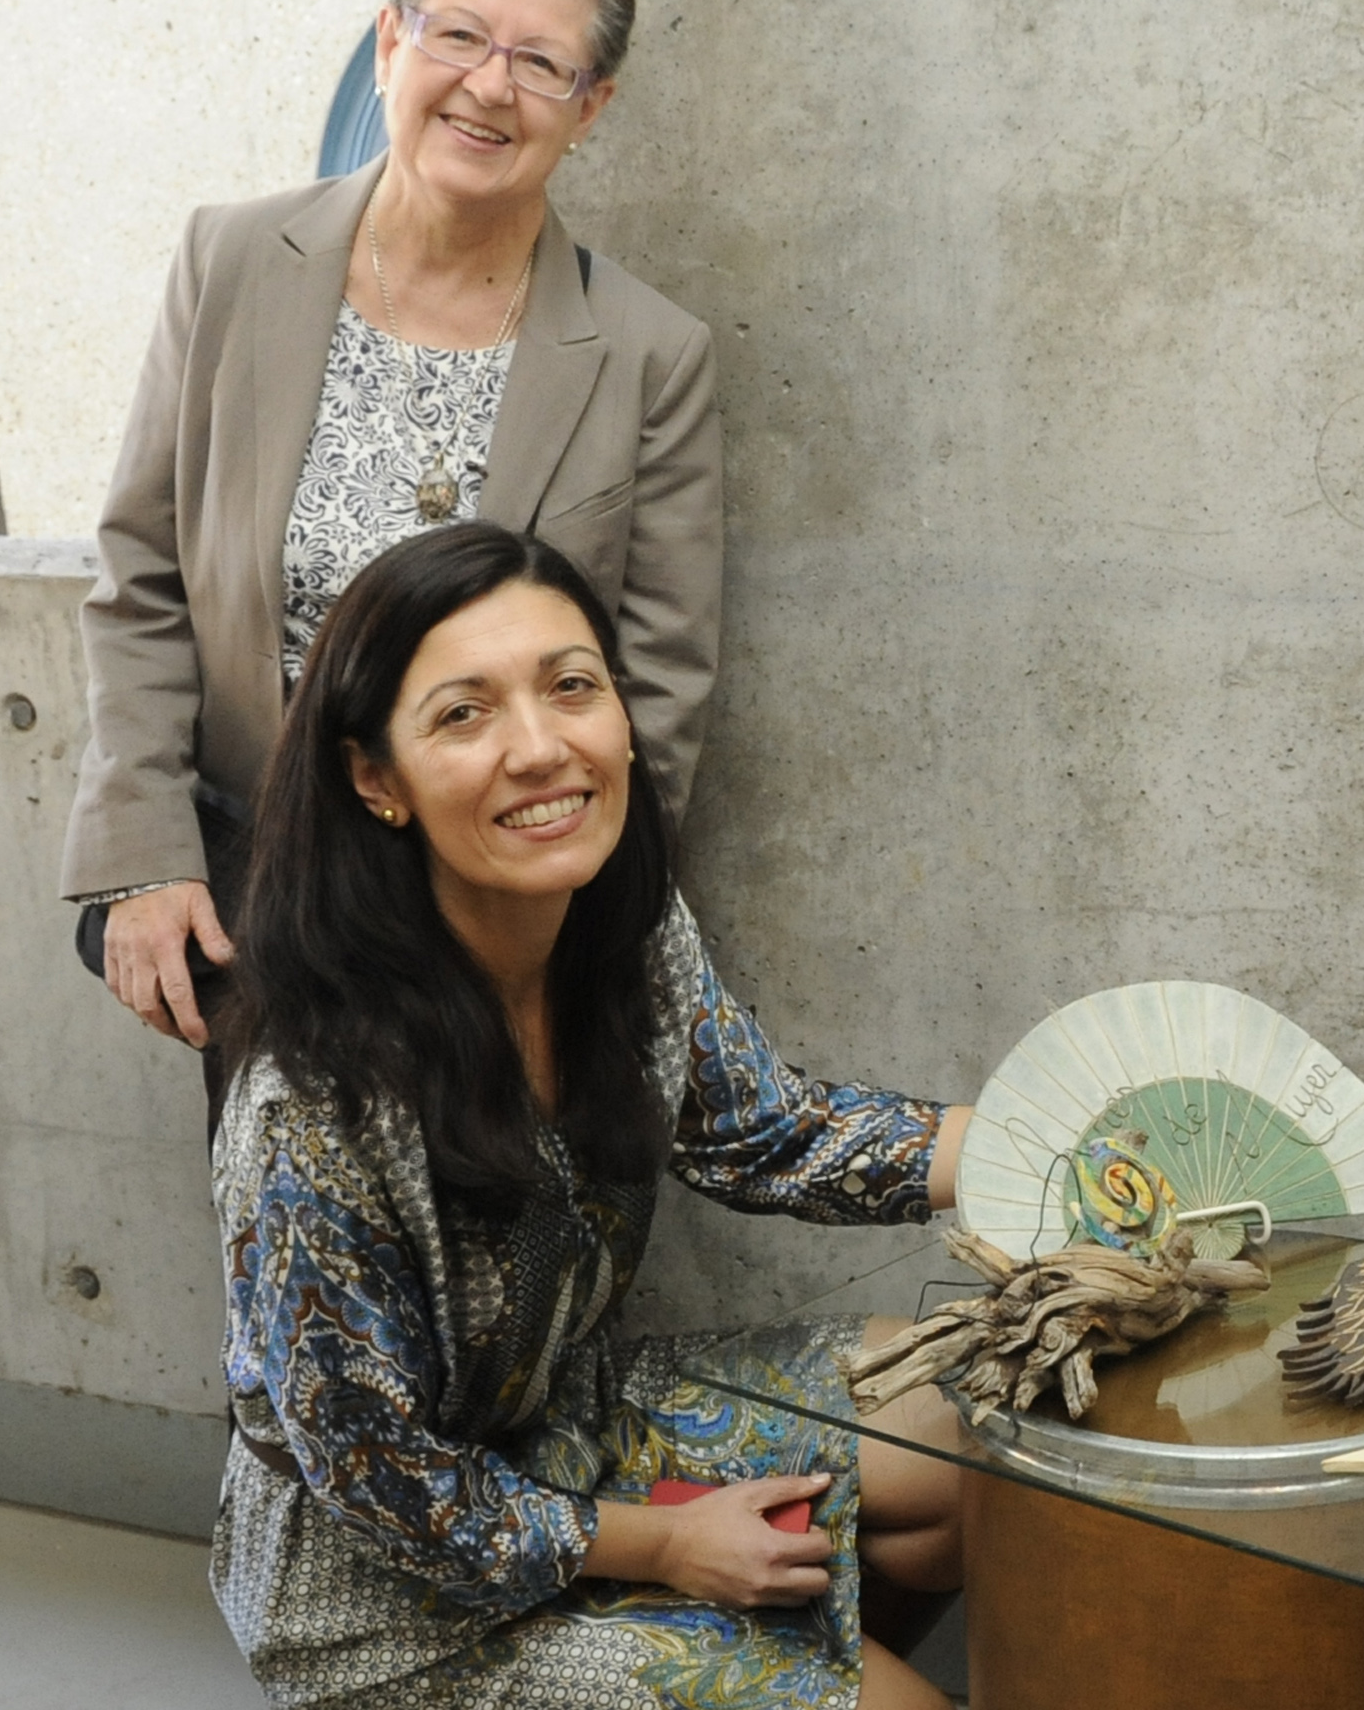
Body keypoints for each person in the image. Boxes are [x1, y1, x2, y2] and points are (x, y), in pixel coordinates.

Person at [209, 522, 974, 1709]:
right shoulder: (310, 1107)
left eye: (571, 687)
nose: (540, 748)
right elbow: (395, 1493)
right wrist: (671, 1546)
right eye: (464, 714)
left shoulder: (625, 930)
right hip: (387, 1596)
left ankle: (799, 1657)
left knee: (981, 1430)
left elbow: (772, 1135)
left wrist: (1039, 1147)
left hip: (571, 1428)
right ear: (376, 779)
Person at [60, 0, 723, 1114]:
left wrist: (568, 923)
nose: (489, 86)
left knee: (501, 1216)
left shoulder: (649, 354)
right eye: (458, 36)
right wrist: (143, 856)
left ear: (590, 107)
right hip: (262, 896)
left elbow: (660, 682)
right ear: (390, 43)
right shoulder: (230, 261)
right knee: (299, 1221)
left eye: (541, 63)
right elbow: (141, 576)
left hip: (502, 905)